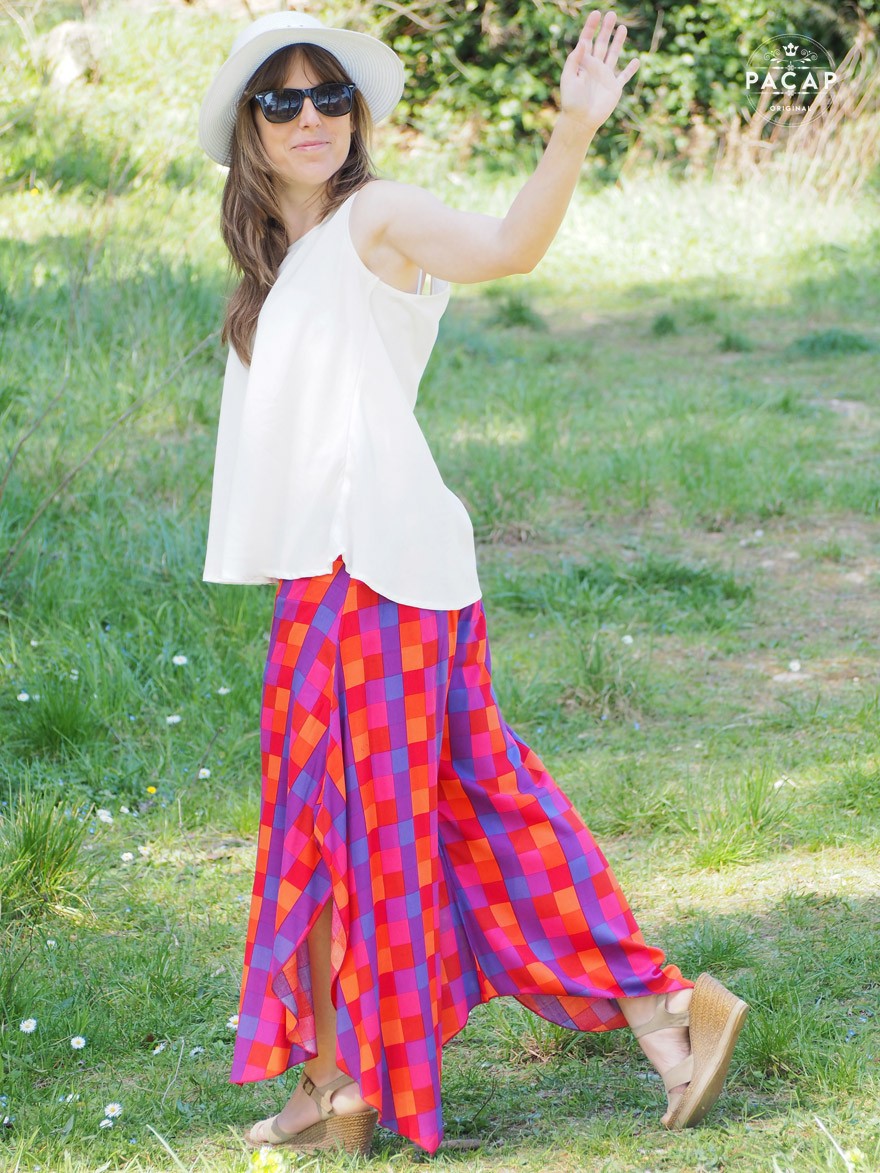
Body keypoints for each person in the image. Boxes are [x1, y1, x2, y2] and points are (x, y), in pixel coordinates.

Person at [197, 7, 749, 1158]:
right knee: (406, 810)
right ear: (248, 127)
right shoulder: (275, 264)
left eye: (331, 95)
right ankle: (361, 1075)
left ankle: (640, 1009)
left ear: (358, 116)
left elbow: (508, 250)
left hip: (369, 573)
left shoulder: (375, 219)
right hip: (356, 569)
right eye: (283, 99)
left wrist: (571, 133)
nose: (312, 116)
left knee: (345, 822)